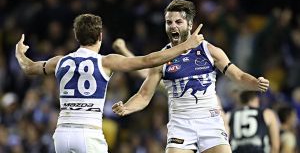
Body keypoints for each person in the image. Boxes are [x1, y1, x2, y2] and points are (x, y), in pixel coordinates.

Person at [15, 13, 205, 153]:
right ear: (100, 36)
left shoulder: (59, 61)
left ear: (76, 36)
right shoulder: (106, 61)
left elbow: (29, 68)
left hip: (62, 134)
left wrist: (19, 53)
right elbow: (148, 61)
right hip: (89, 134)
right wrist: (185, 46)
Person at [112, 0, 270, 153]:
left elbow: (239, 76)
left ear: (189, 24)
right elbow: (144, 95)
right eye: (169, 22)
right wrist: (127, 107)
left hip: (210, 122)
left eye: (178, 22)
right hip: (180, 125)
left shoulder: (209, 51)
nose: (173, 26)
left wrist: (255, 82)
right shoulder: (162, 58)